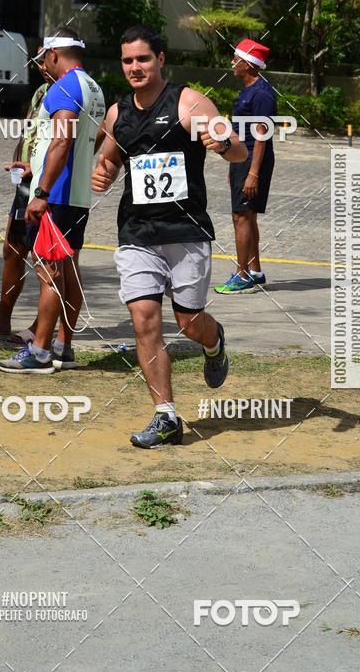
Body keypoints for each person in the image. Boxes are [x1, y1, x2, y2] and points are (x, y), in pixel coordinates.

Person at [91, 25, 247, 448]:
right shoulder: (117, 113)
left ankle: (214, 343)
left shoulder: (188, 102)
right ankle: (166, 416)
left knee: (189, 322)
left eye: (143, 59)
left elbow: (238, 150)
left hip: (186, 231)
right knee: (144, 321)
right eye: (127, 61)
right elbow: (106, 160)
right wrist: (103, 173)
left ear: (160, 59)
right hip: (137, 231)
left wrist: (220, 143)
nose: (135, 68)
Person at [0, 27, 106, 374]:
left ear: (54, 55)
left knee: (49, 271)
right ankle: (64, 346)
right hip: (76, 195)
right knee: (70, 270)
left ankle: (40, 350)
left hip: (56, 197)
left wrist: (41, 191)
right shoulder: (93, 87)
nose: (43, 64)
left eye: (44, 57)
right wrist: (38, 163)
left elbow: (62, 141)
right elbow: (85, 140)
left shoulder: (64, 87)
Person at [0, 58, 50, 341]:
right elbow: (30, 132)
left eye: (47, 57)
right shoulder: (42, 91)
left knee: (46, 258)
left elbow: (67, 144)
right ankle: (2, 317)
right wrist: (19, 160)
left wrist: (39, 172)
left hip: (47, 186)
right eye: (39, 59)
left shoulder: (70, 93)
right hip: (25, 184)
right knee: (13, 249)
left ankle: (44, 325)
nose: (41, 64)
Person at [214, 39, 275, 295]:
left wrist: (252, 173)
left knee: (241, 216)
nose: (232, 63)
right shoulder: (248, 89)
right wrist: (233, 166)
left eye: (236, 59)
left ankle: (241, 275)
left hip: (253, 159)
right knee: (247, 215)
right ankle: (255, 270)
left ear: (248, 64)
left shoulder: (261, 94)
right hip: (242, 159)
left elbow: (262, 135)